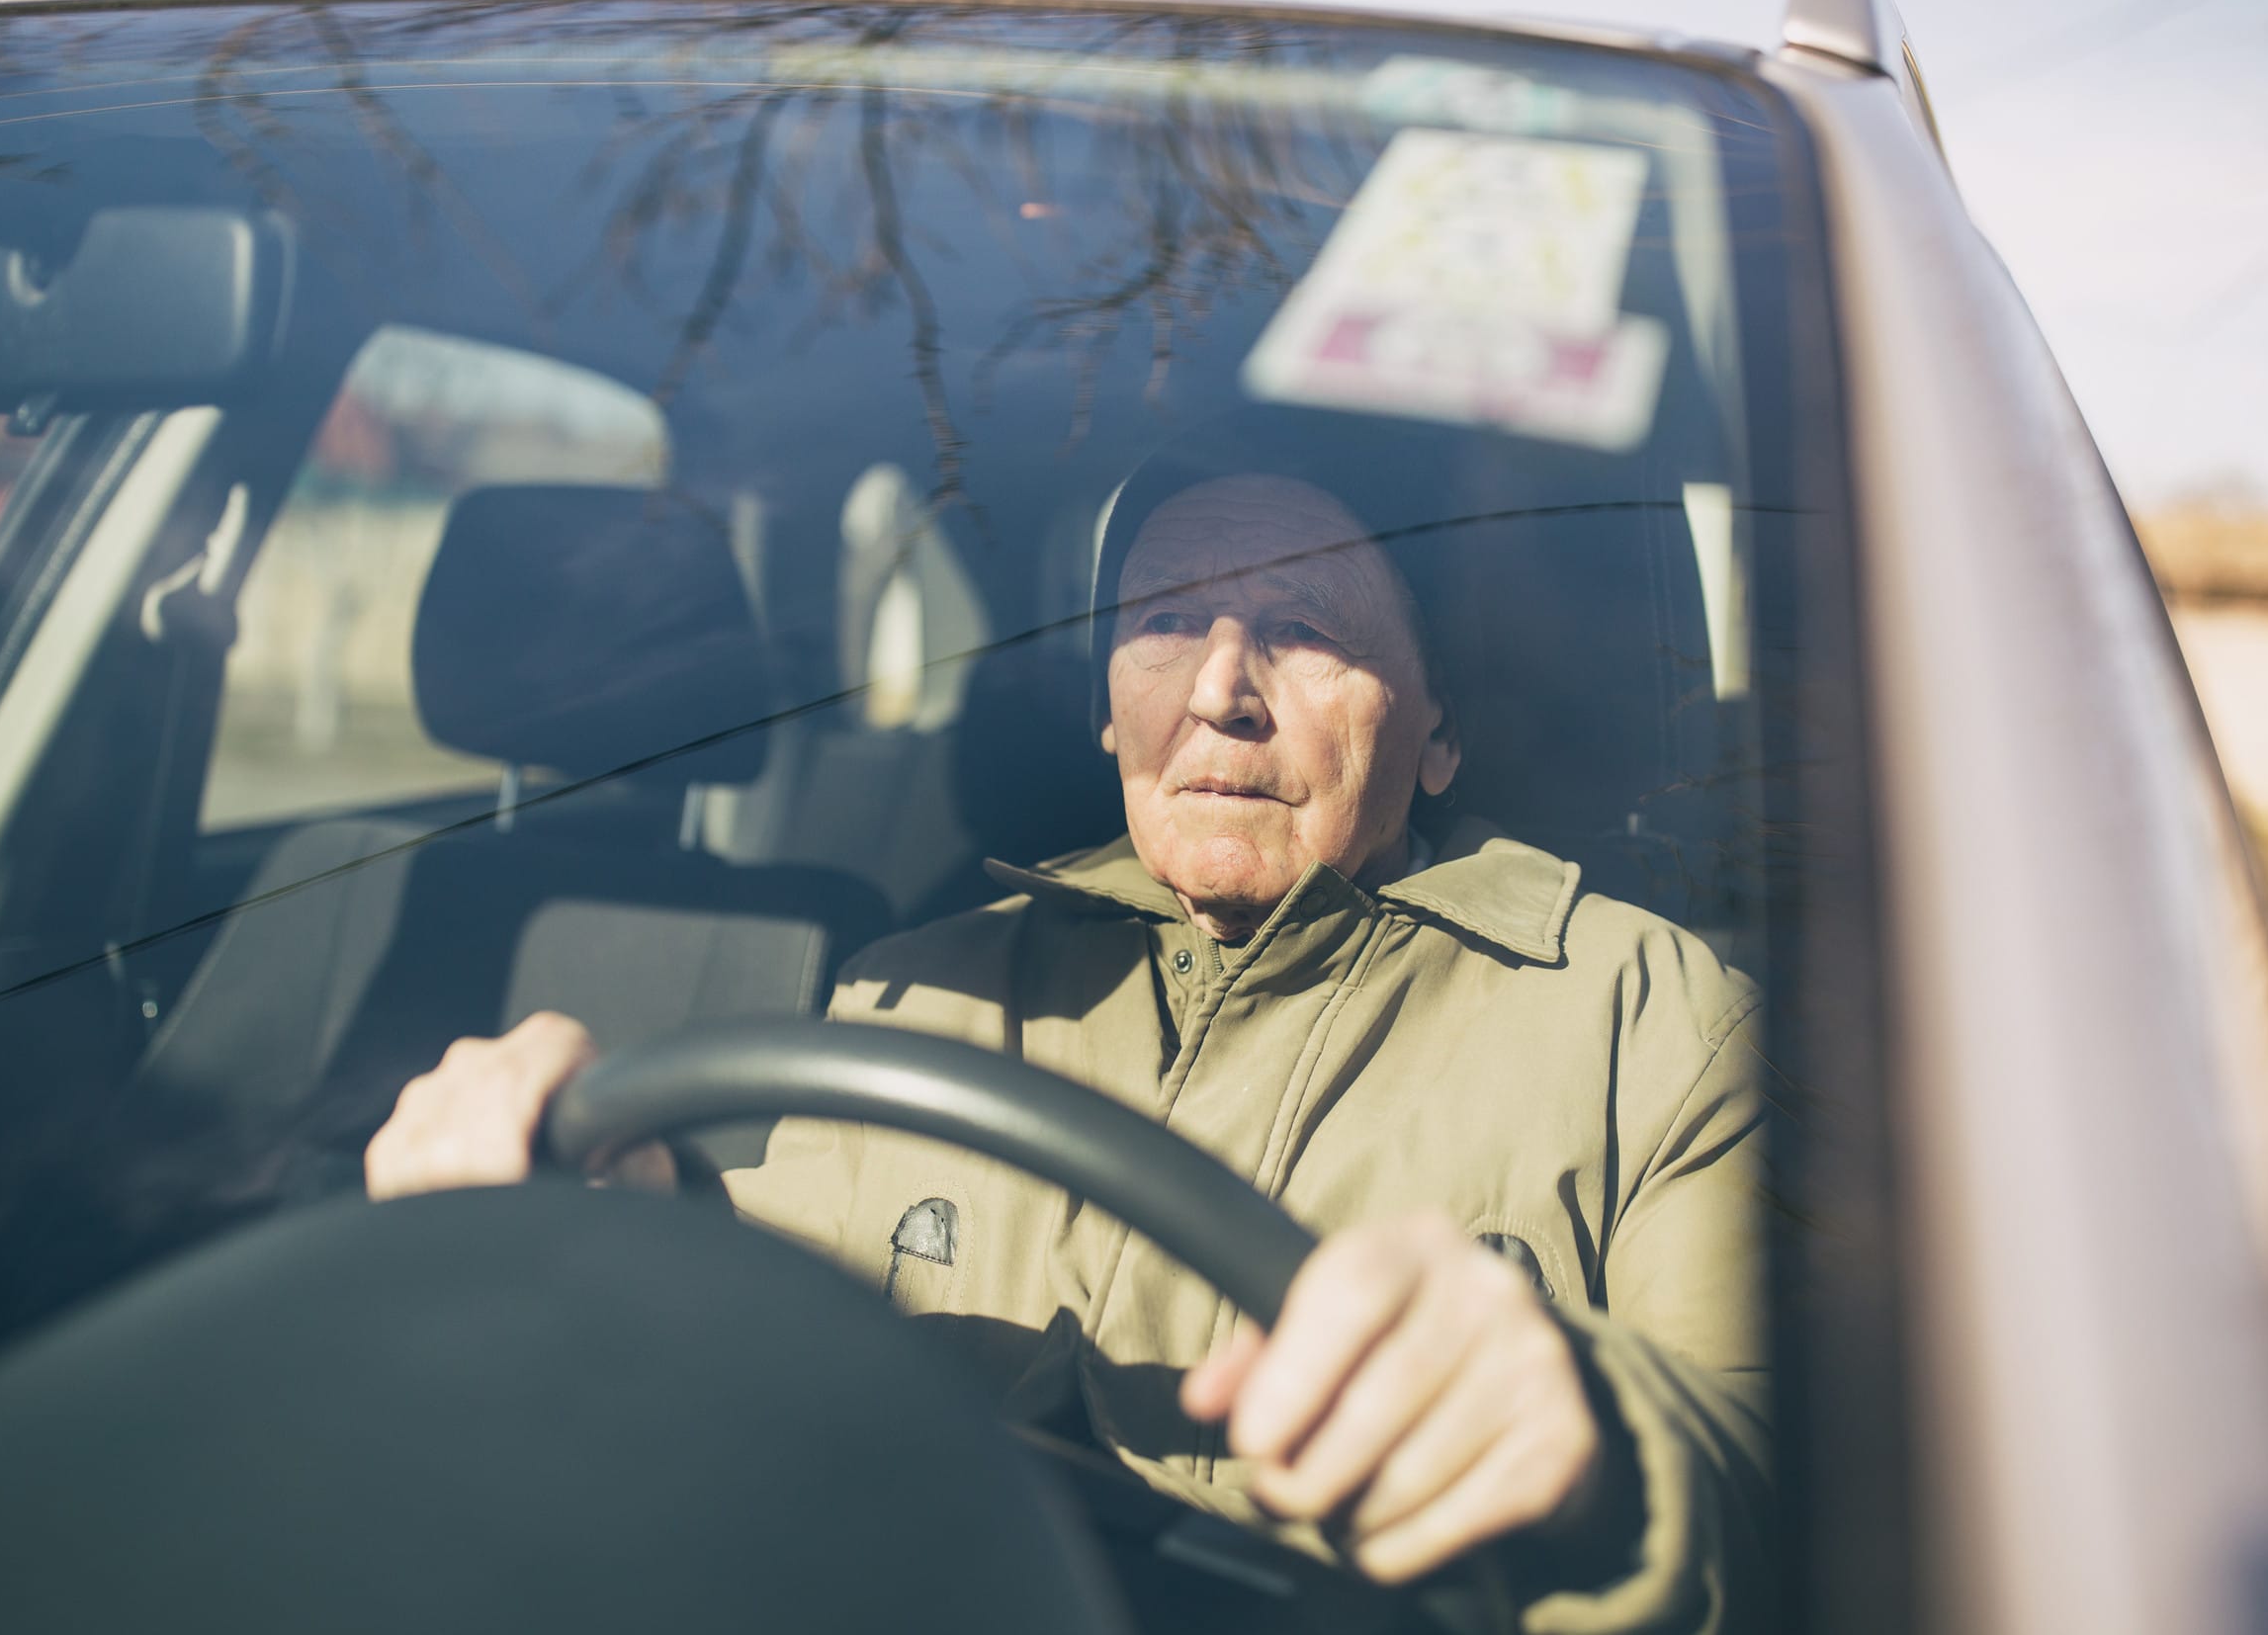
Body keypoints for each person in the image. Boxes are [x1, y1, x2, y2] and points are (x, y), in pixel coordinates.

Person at [365, 465, 1774, 1635]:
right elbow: (771, 1397)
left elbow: (1773, 1492)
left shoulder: (1649, 1022)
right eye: (1163, 625)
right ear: (1108, 707)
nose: (1221, 686)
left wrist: (1592, 1438)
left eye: (1304, 628)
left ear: (1440, 728)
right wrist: (616, 1231)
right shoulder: (914, 996)